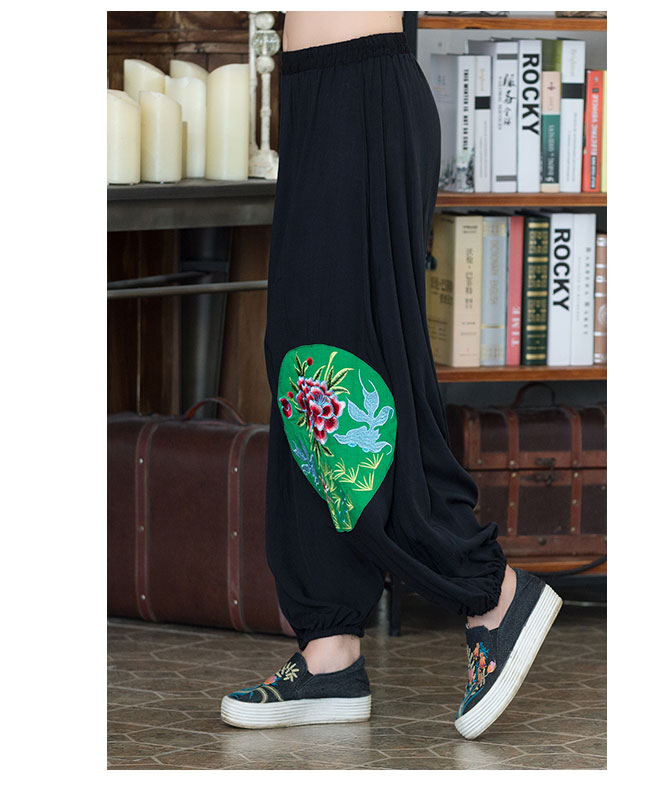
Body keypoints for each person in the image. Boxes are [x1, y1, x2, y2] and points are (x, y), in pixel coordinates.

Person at [220, 11, 562, 740]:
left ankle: (490, 590)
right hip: (320, 95)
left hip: (361, 96)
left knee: (344, 378)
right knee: (304, 374)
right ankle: (330, 647)